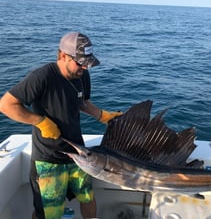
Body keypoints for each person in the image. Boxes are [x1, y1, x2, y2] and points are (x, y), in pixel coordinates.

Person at [0, 32, 122, 219]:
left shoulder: (82, 75)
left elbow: (82, 102)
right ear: (63, 56)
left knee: (88, 198)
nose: (84, 67)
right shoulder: (41, 77)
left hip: (79, 156)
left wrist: (101, 115)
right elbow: (6, 105)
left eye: (86, 63)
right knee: (49, 213)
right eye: (79, 62)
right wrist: (40, 121)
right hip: (48, 160)